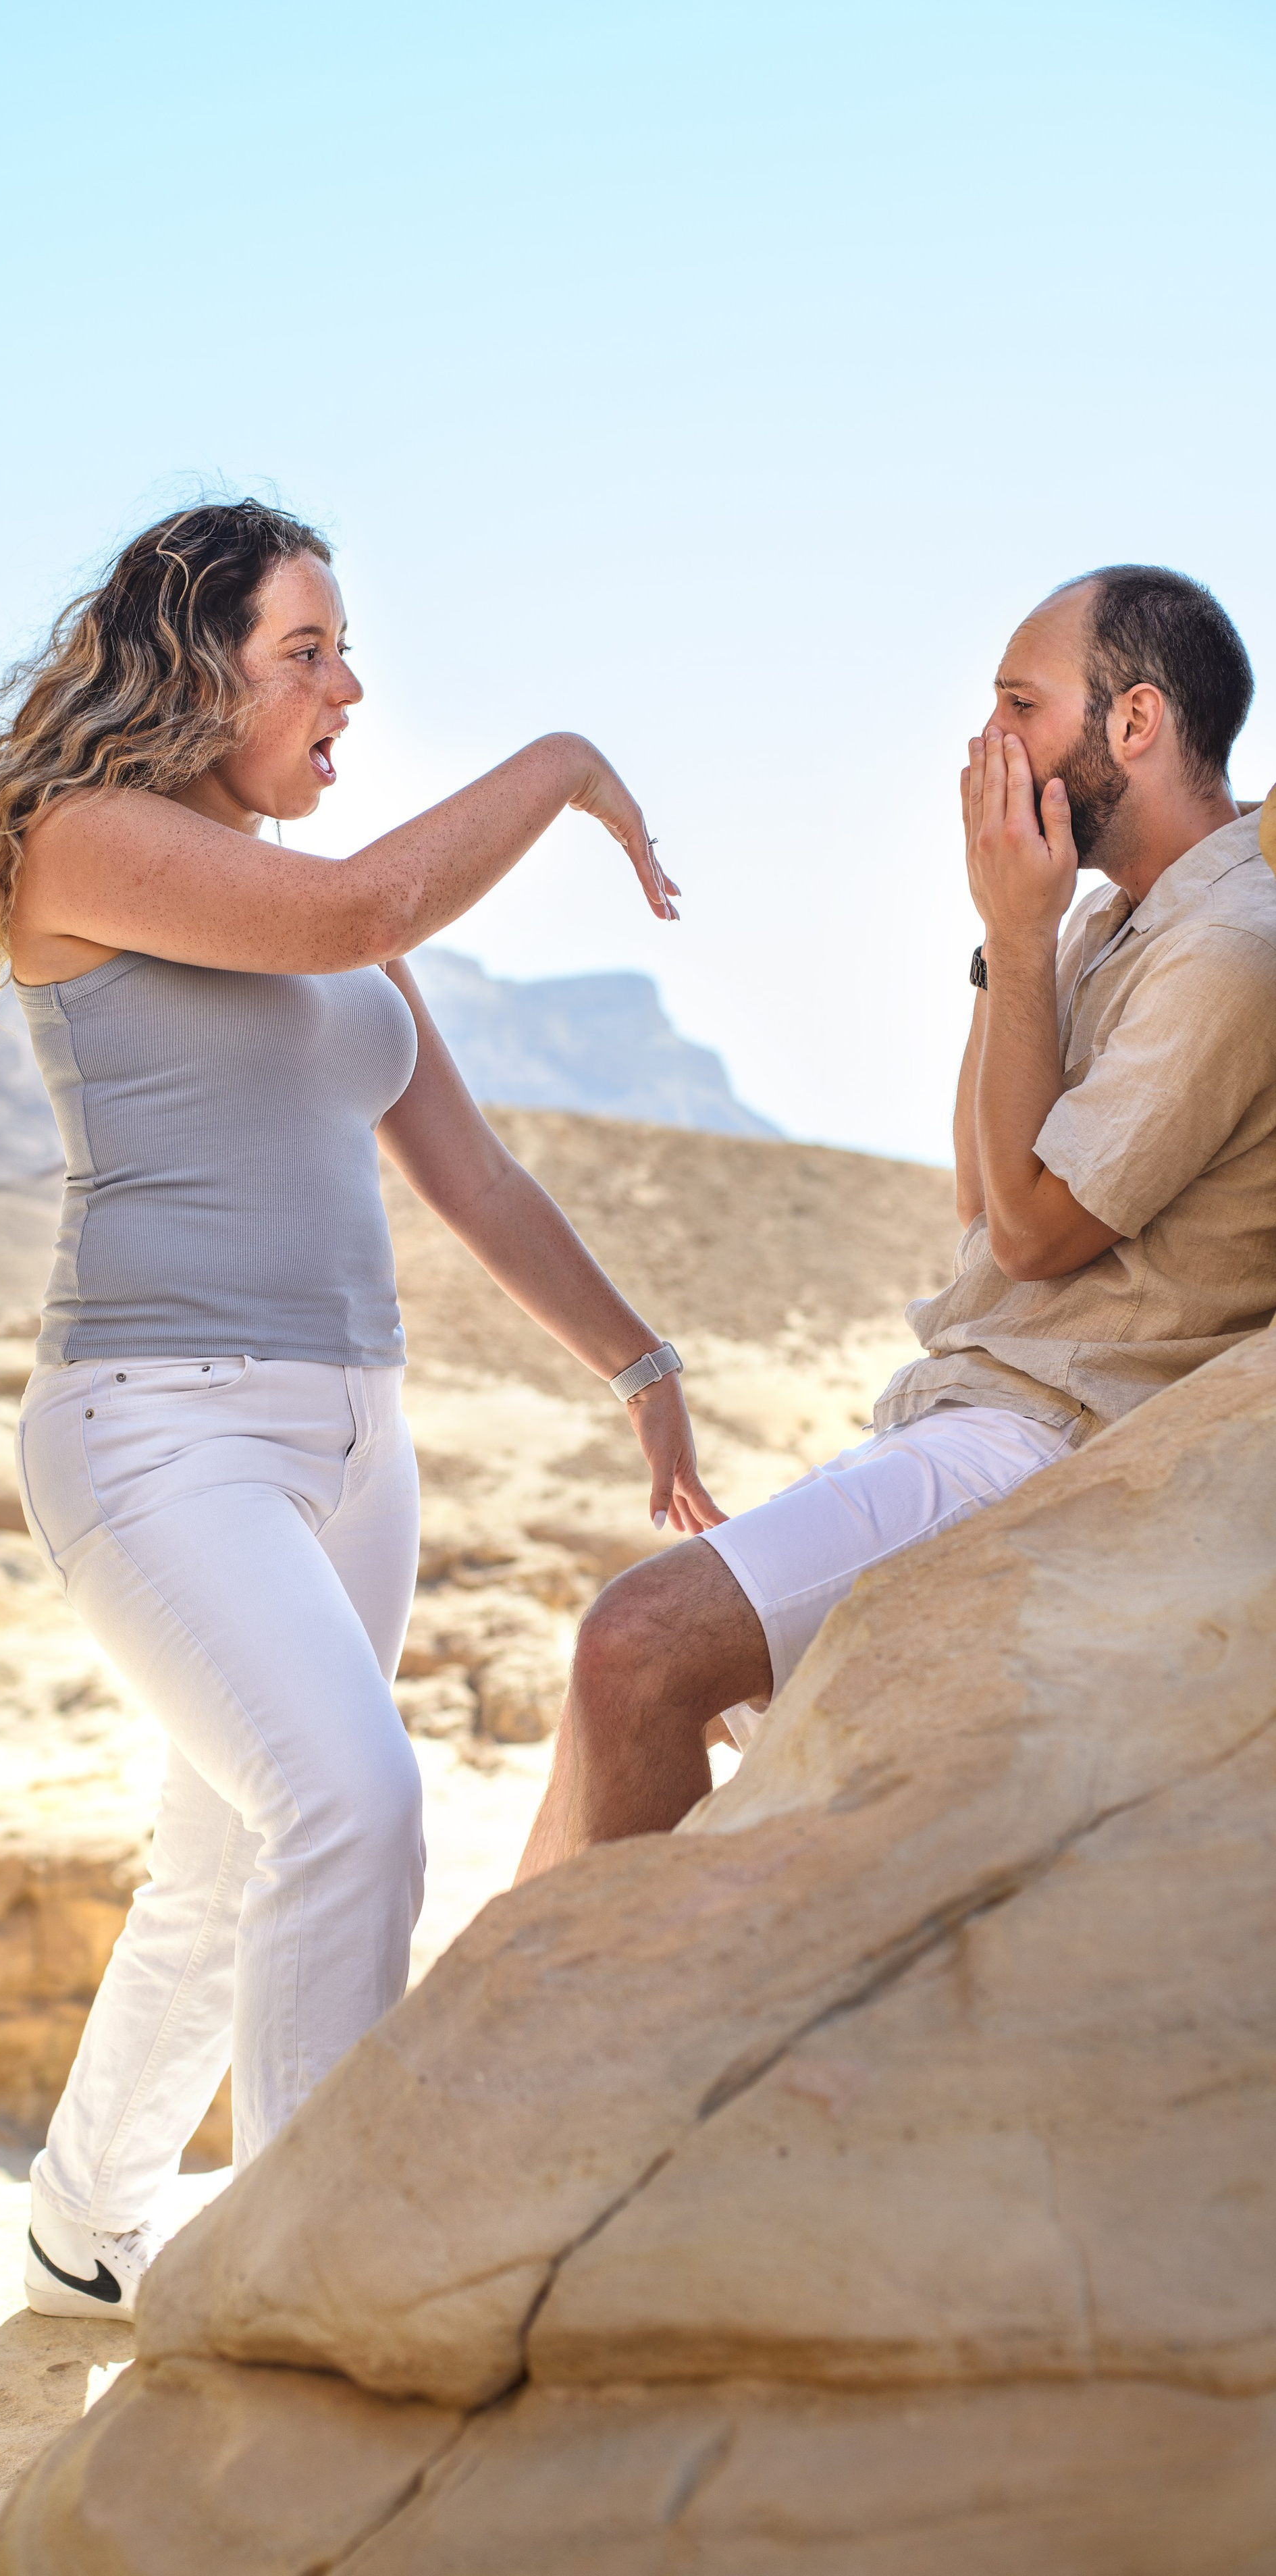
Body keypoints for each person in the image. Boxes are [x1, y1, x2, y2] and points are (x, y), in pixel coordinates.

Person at [0, 497, 720, 2317]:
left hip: (353, 1445)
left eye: (345, 649)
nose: (350, 685)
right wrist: (566, 763)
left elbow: (474, 1177)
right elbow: (360, 897)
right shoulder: (86, 843)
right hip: (156, 1432)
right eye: (307, 654)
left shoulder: (303, 910)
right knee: (351, 1803)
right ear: (199, 677)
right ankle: (315, 2293)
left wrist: (639, 1367)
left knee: (226, 1851)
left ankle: (81, 2233)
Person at [517, 562, 1276, 1881]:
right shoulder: (1104, 924)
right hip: (966, 1412)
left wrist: (1018, 934)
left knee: (634, 1646)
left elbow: (1033, 1240)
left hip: (1048, 1445)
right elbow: (983, 1201)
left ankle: (552, 2070)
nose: (984, 748)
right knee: (616, 1713)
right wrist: (1012, 942)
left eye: (1016, 707)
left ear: (1134, 723)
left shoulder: (1226, 948)